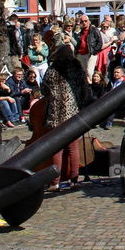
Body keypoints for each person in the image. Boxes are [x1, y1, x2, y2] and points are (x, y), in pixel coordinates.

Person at [28, 45, 85, 191]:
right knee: (73, 147)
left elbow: (44, 90)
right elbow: (84, 88)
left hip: (55, 111)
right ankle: (74, 180)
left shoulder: (52, 70)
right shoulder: (77, 69)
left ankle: (55, 182)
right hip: (73, 112)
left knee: (56, 148)